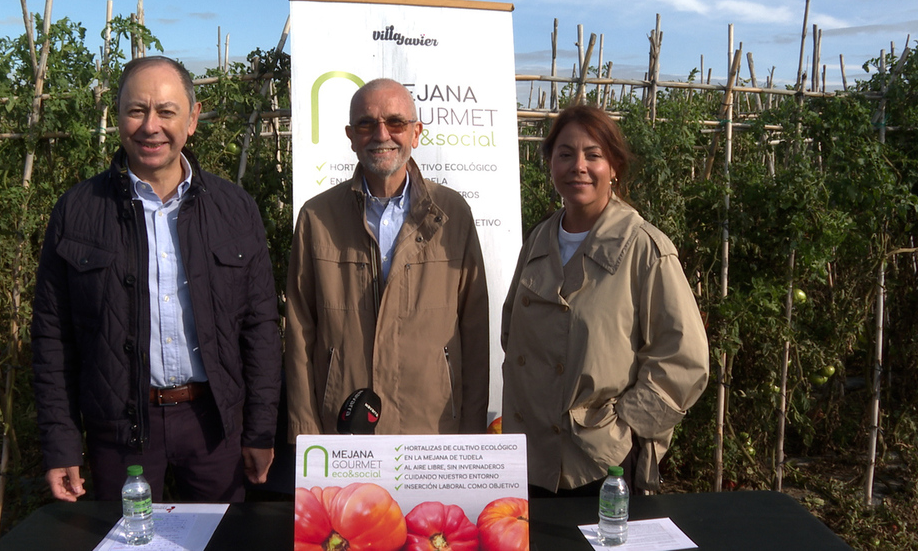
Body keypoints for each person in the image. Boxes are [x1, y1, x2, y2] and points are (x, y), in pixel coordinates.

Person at [31, 56, 282, 503]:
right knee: (127, 540)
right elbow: (53, 336)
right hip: (119, 430)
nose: (151, 126)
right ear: (118, 116)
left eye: (166, 111)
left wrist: (261, 429)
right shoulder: (78, 211)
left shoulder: (234, 209)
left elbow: (260, 327)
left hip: (213, 426)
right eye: (136, 110)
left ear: (193, 118)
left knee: (220, 540)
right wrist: (61, 444)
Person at [501, 105, 709, 496]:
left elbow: (684, 360)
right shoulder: (539, 241)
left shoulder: (646, 249)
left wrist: (624, 427)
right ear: (550, 165)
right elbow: (513, 332)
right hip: (530, 458)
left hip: (599, 462)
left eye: (593, 155)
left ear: (613, 167)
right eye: (565, 154)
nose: (578, 166)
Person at [285, 78, 489, 436]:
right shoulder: (317, 217)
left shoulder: (452, 214)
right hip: (344, 429)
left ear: (416, 132)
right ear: (351, 135)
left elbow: (474, 329)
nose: (381, 134)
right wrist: (305, 430)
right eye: (366, 123)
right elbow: (300, 330)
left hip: (432, 426)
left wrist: (471, 426)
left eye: (395, 122)